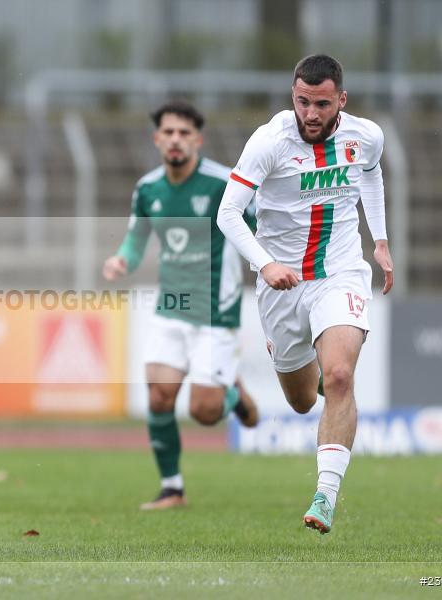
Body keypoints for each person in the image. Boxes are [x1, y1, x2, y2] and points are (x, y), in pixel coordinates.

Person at [217, 54, 394, 534]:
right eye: (302, 102)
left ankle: (325, 495)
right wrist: (265, 262)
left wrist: (378, 241)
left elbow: (371, 174)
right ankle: (311, 376)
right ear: (292, 96)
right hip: (282, 285)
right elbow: (227, 213)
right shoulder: (270, 141)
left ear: (341, 100)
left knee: (339, 376)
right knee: (300, 400)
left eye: (320, 103)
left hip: (340, 273)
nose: (310, 114)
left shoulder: (366, 136)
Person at [103, 100, 260, 511]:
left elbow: (263, 226)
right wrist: (123, 260)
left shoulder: (225, 183)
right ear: (157, 139)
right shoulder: (148, 188)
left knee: (205, 413)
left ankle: (233, 396)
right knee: (158, 397)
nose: (175, 139)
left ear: (198, 140)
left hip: (215, 310)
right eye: (168, 132)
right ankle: (172, 488)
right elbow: (136, 241)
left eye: (184, 133)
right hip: (171, 308)